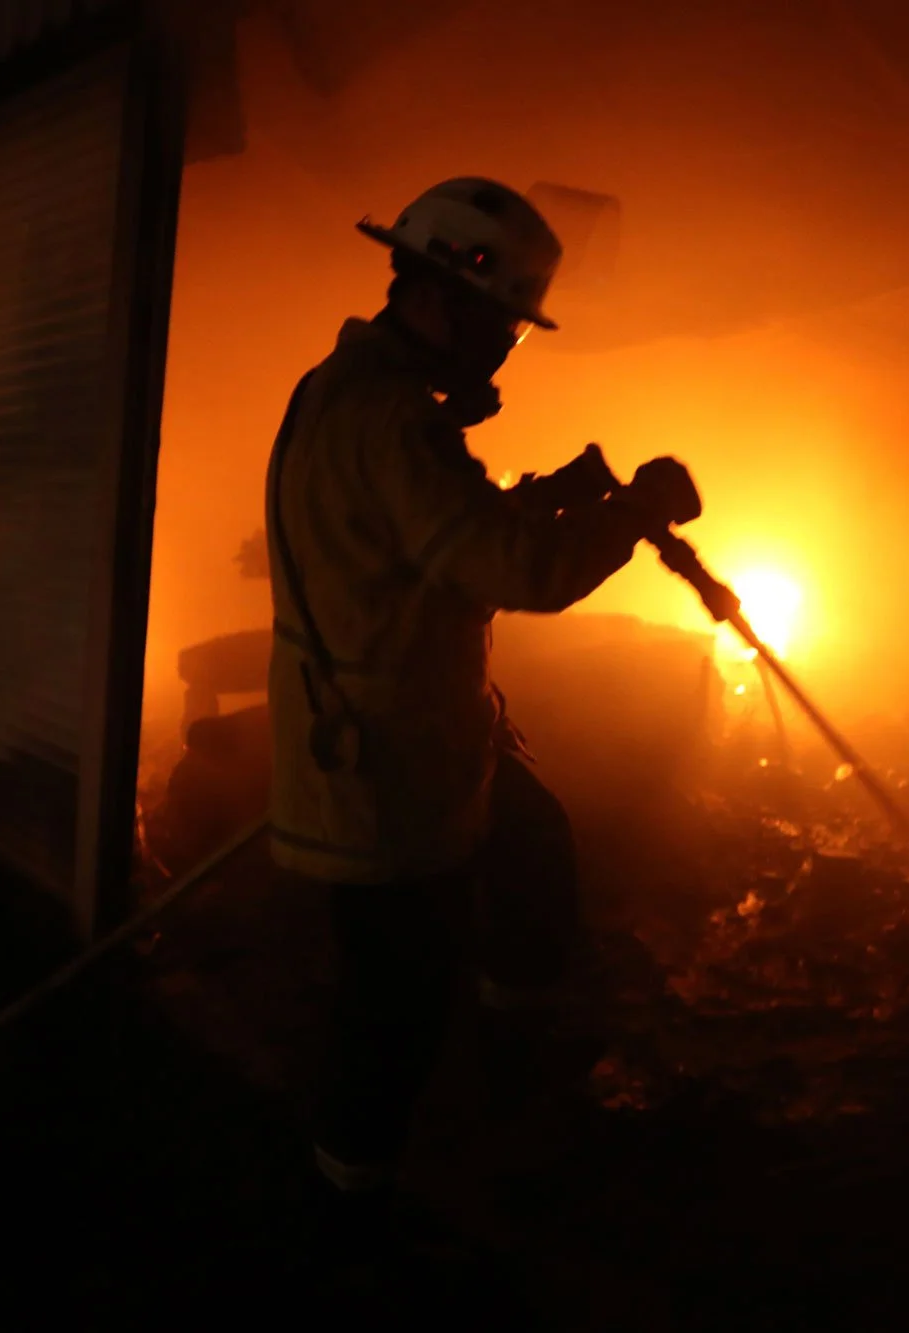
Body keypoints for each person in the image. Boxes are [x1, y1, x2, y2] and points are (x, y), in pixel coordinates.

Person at [263, 177, 702, 1232]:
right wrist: (633, 508)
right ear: (445, 300)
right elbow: (517, 571)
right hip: (380, 764)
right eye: (503, 324)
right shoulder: (389, 422)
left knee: (532, 846)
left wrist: (555, 490)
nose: (506, 349)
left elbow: (431, 534)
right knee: (392, 1001)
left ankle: (510, 1073)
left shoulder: (353, 391)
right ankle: (347, 1208)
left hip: (428, 729)